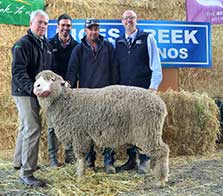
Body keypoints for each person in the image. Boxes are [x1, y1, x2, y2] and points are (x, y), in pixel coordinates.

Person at [65, 18, 119, 174]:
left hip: (106, 96)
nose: (93, 32)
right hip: (86, 98)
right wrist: (69, 84)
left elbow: (115, 68)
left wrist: (115, 91)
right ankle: (90, 160)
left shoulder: (108, 47)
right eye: (90, 29)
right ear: (85, 31)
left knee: (109, 129)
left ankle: (109, 160)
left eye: (96, 29)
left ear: (98, 30)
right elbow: (72, 70)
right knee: (87, 129)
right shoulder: (79, 49)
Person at [115, 10, 163, 174]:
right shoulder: (119, 41)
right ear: (122, 22)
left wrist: (153, 88)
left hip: (143, 91)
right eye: (126, 18)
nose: (129, 21)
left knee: (143, 126)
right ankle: (131, 159)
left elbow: (156, 65)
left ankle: (144, 159)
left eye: (132, 18)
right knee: (128, 126)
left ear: (136, 20)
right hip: (125, 93)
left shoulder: (147, 38)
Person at [11, 10, 54, 187]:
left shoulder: (44, 44)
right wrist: (33, 89)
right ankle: (27, 172)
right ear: (31, 23)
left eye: (45, 23)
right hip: (24, 92)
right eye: (39, 22)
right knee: (33, 128)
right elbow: (18, 72)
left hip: (35, 91)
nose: (42, 26)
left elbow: (46, 71)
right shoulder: (22, 44)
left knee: (25, 126)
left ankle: (18, 162)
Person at [48, 13, 79, 167]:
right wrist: (54, 84)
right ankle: (53, 158)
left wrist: (68, 83)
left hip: (68, 91)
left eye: (68, 26)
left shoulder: (76, 46)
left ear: (71, 27)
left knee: (71, 124)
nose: (65, 28)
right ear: (57, 26)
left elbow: (75, 69)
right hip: (52, 92)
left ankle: (70, 155)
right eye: (63, 25)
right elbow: (46, 68)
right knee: (52, 125)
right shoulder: (49, 44)